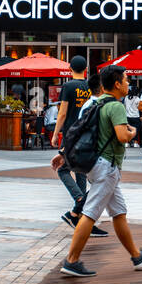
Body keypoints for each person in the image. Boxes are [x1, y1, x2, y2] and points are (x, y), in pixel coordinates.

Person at [59, 64, 142, 277]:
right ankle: (71, 260)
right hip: (107, 166)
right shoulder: (116, 106)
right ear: (116, 84)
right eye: (125, 80)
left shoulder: (96, 104)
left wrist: (62, 152)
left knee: (119, 212)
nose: (128, 84)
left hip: (98, 165)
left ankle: (136, 255)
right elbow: (123, 136)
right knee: (90, 213)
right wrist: (132, 132)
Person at [51, 55, 107, 238]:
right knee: (81, 172)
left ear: (69, 68)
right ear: (86, 68)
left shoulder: (68, 86)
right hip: (86, 135)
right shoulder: (89, 86)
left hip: (71, 134)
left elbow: (63, 112)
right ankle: (81, 215)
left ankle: (79, 199)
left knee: (62, 169)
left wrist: (55, 133)